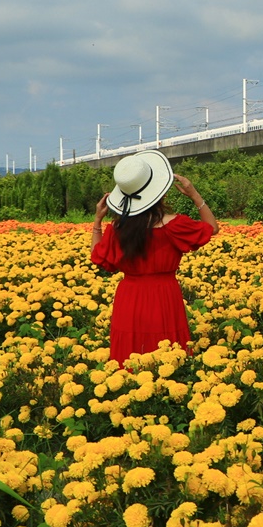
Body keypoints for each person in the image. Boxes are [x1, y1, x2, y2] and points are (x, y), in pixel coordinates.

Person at [90, 150, 219, 368]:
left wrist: (97, 221)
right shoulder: (174, 225)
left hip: (130, 299)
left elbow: (98, 256)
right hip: (163, 296)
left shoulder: (118, 230)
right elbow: (212, 228)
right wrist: (195, 196)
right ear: (160, 193)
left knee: (129, 360)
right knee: (168, 358)